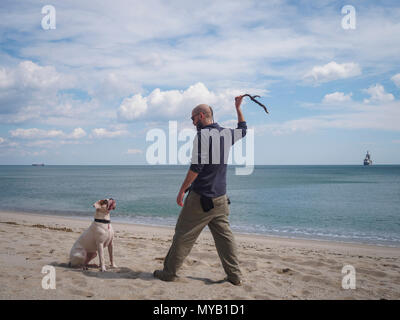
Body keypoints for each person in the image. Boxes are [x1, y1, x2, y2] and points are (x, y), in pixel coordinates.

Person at [153, 95, 247, 285]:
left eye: (193, 118)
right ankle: (235, 276)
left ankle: (169, 273)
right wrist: (238, 108)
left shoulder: (203, 135)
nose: (192, 122)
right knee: (225, 239)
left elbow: (197, 167)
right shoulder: (226, 133)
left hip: (201, 198)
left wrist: (182, 190)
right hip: (221, 198)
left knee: (183, 235)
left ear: (201, 116)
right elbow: (243, 130)